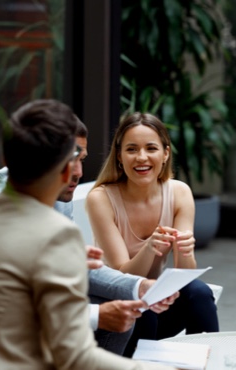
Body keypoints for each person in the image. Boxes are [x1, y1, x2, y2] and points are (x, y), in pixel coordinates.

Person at [0, 99, 176, 369]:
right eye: (77, 159)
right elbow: (75, 356)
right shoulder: (53, 232)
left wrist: (133, 286)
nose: (81, 171)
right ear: (68, 167)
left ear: (6, 160)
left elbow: (1, 296)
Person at [86, 112, 220, 357]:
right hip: (117, 308)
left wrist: (184, 250)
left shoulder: (179, 192)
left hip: (158, 305)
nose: (142, 157)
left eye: (151, 148)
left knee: (200, 293)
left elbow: (185, 276)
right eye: (131, 149)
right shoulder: (101, 199)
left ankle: (208, 361)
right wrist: (150, 248)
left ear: (165, 153)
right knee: (143, 311)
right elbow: (123, 277)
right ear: (119, 156)